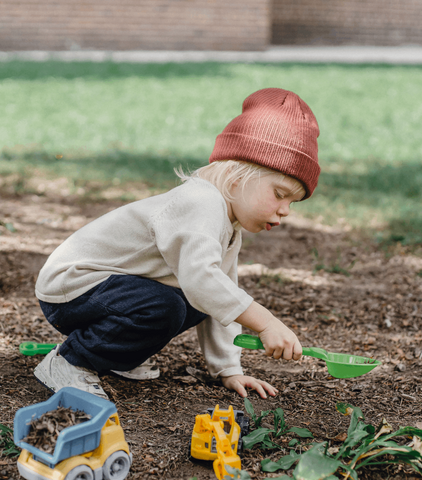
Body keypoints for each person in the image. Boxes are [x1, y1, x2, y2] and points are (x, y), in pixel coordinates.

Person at [33, 87, 321, 400]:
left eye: (294, 202)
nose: (285, 210)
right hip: (71, 286)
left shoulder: (227, 224)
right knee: (168, 306)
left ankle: (115, 356)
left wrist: (228, 369)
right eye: (279, 194)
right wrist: (266, 323)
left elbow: (220, 296)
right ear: (237, 176)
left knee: (198, 302)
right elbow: (202, 281)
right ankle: (70, 362)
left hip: (108, 289)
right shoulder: (201, 203)